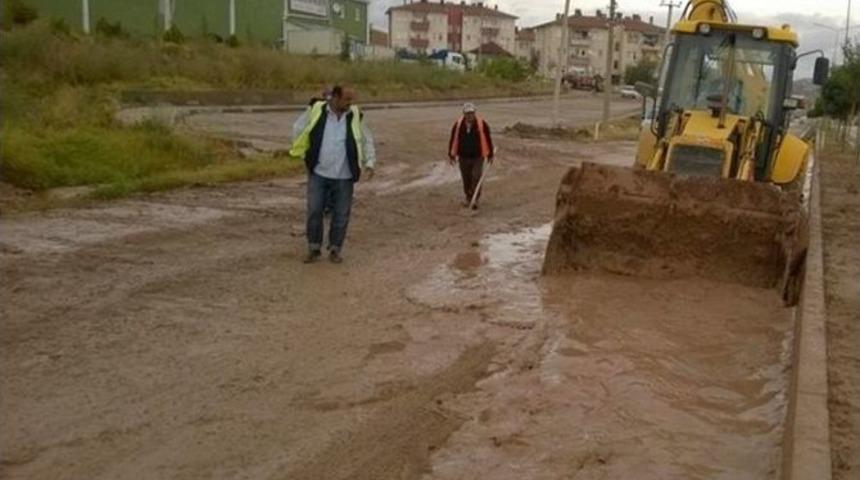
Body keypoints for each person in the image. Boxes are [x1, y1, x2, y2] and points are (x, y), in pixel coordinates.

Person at [290, 85, 376, 264]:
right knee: (314, 211)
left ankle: (335, 249)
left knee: (341, 214)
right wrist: (306, 153)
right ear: (335, 97)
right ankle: (314, 248)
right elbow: (298, 128)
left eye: (351, 100)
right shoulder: (316, 110)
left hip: (344, 175)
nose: (350, 103)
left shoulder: (355, 115)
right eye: (347, 99)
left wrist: (370, 162)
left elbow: (367, 139)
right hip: (319, 172)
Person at [448, 103, 494, 210]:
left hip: (478, 156)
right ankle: (468, 197)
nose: (470, 115)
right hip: (463, 157)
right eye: (468, 113)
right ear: (464, 114)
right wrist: (451, 154)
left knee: (476, 176)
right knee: (466, 178)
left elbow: (488, 139)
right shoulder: (458, 125)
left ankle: (475, 199)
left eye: (472, 113)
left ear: (475, 113)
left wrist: (490, 154)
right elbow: (453, 139)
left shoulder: (482, 124)